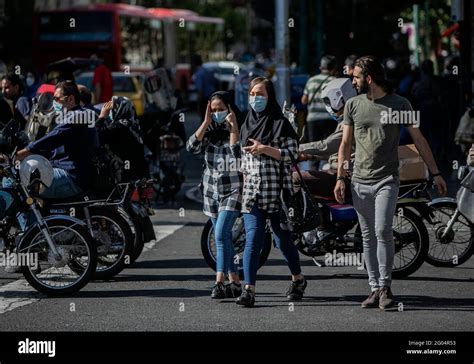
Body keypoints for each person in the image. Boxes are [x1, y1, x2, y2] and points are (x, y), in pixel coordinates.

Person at [334, 56, 448, 310]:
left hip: (387, 179)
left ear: (369, 78)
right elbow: (345, 144)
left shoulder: (399, 104)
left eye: (355, 77)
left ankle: (385, 287)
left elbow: (419, 139)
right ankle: (374, 288)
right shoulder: (352, 105)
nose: (352, 81)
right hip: (359, 180)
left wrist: (436, 172)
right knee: (367, 236)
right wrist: (341, 177)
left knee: (383, 230)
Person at [236, 77, 306, 307]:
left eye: (261, 94)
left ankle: (298, 278)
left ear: (270, 97)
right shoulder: (246, 123)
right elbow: (243, 160)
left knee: (282, 239)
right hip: (253, 193)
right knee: (253, 239)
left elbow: (293, 154)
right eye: (252, 94)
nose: (256, 98)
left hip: (278, 193)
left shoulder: (280, 122)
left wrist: (265, 149)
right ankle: (249, 290)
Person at [186, 91, 244, 299]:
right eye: (214, 110)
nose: (217, 113)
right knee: (225, 238)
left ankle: (219, 283)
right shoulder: (209, 129)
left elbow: (237, 155)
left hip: (233, 189)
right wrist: (205, 122)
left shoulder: (240, 126)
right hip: (211, 191)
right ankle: (235, 282)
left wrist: (234, 126)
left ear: (229, 108)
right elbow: (191, 147)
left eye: (221, 109)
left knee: (219, 235)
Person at [294, 78, 356, 245]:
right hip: (339, 171)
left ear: (339, 98)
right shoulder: (347, 117)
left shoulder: (349, 121)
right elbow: (332, 151)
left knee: (296, 178)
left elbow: (327, 146)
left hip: (345, 175)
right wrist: (308, 156)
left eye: (329, 101)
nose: (328, 106)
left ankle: (321, 225)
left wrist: (296, 149)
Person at [13, 81, 98, 198]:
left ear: (70, 99)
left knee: (21, 187)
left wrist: (18, 155)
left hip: (71, 176)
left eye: (56, 99)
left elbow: (51, 139)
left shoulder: (76, 117)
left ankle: (32, 216)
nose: (54, 102)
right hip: (68, 172)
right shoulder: (69, 116)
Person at [97, 96, 148, 182]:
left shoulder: (117, 126)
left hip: (124, 175)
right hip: (141, 172)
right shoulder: (135, 125)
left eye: (111, 109)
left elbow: (96, 136)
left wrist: (101, 117)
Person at [301, 55, 337, 144]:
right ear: (333, 68)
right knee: (329, 148)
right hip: (330, 119)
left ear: (321, 67)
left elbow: (304, 100)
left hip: (313, 119)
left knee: (313, 147)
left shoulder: (311, 80)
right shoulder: (335, 81)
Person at [191, 54, 217, 121]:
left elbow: (200, 90)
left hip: (204, 99)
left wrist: (198, 104)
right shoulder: (207, 71)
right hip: (212, 97)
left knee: (204, 119)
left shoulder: (199, 74)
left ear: (193, 63)